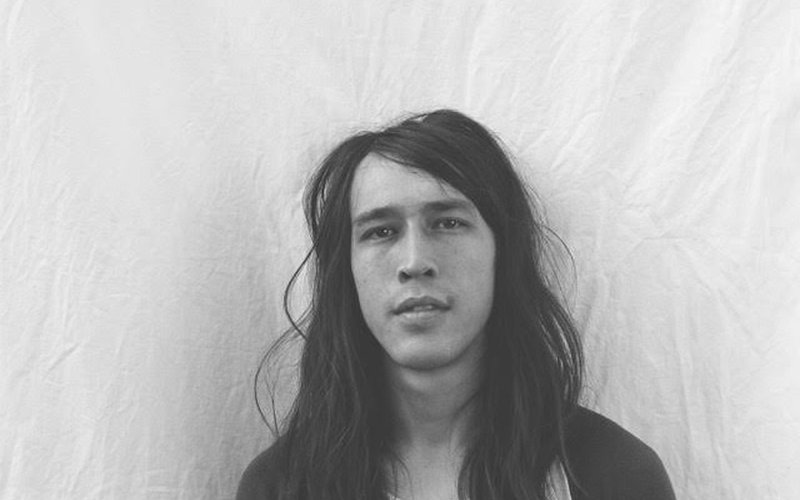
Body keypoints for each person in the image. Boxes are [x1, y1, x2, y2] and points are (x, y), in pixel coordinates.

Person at [237, 109, 675, 500]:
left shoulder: (612, 475)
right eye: (381, 231)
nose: (415, 262)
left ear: (502, 252)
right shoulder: (280, 487)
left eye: (447, 223)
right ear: (346, 270)